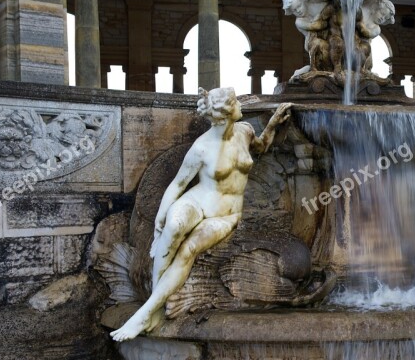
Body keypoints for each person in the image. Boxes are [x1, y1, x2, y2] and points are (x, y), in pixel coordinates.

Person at [110, 88, 294, 341]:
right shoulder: (202, 147)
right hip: (196, 200)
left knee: (189, 248)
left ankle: (146, 313)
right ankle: (152, 307)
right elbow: (177, 184)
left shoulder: (245, 131)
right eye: (236, 102)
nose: (241, 105)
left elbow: (260, 147)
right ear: (228, 112)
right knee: (173, 228)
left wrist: (272, 125)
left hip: (225, 214)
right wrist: (159, 220)